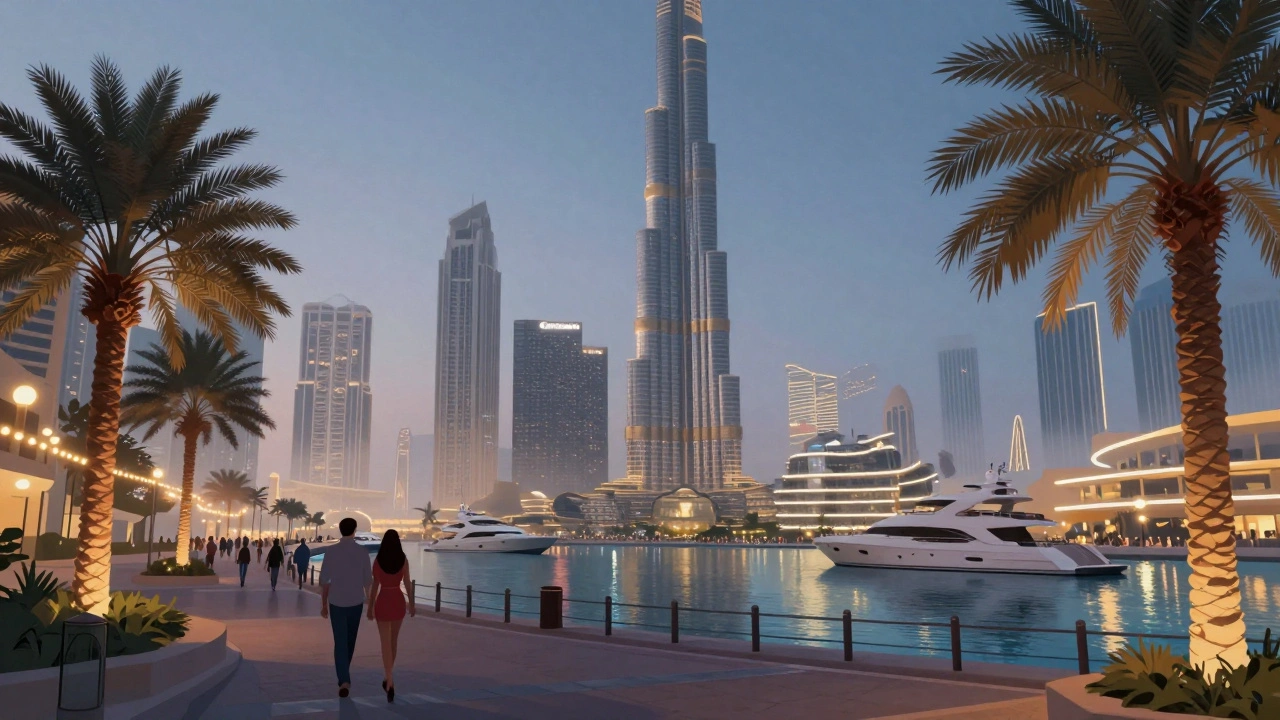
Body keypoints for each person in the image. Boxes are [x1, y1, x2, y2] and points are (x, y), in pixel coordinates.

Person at [320, 518, 372, 698]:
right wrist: (371, 604)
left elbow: (324, 580)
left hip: (336, 602)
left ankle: (343, 677)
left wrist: (323, 604)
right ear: (354, 530)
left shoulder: (331, 551)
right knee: (350, 641)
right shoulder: (363, 552)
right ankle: (344, 678)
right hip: (356, 602)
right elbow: (368, 582)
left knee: (340, 641)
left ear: (340, 530)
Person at [368, 529, 414, 703]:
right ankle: (388, 677)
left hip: (383, 601)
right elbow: (407, 583)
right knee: (393, 641)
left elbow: (375, 586)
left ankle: (390, 680)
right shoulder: (404, 560)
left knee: (384, 643)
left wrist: (370, 606)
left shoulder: (378, 561)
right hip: (397, 600)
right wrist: (412, 603)